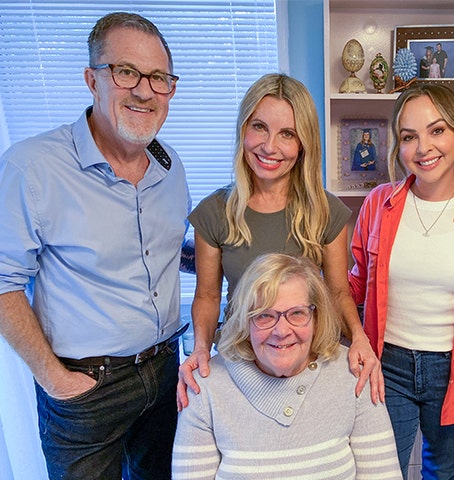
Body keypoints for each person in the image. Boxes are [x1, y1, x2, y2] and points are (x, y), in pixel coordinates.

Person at [0, 12, 189, 479]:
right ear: (92, 79)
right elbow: (3, 283)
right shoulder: (33, 168)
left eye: (159, 78)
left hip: (165, 374)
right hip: (86, 391)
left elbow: (165, 252)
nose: (145, 90)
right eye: (126, 72)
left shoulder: (170, 167)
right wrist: (55, 379)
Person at [177, 73, 382, 410]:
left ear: (303, 144)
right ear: (243, 130)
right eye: (259, 127)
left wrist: (359, 339)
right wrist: (201, 348)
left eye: (287, 133)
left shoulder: (325, 211)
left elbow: (338, 292)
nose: (269, 146)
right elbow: (207, 295)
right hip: (241, 361)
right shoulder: (214, 212)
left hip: (309, 362)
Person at [348, 83, 454, 479]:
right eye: (409, 137)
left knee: (442, 472)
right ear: (398, 147)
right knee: (382, 471)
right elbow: (354, 285)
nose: (424, 148)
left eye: (437, 131)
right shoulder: (379, 204)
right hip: (388, 365)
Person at [172, 253, 402, 478]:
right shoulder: (204, 388)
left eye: (297, 313)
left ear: (317, 317)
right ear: (245, 320)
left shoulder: (355, 375)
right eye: (264, 316)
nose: (281, 331)